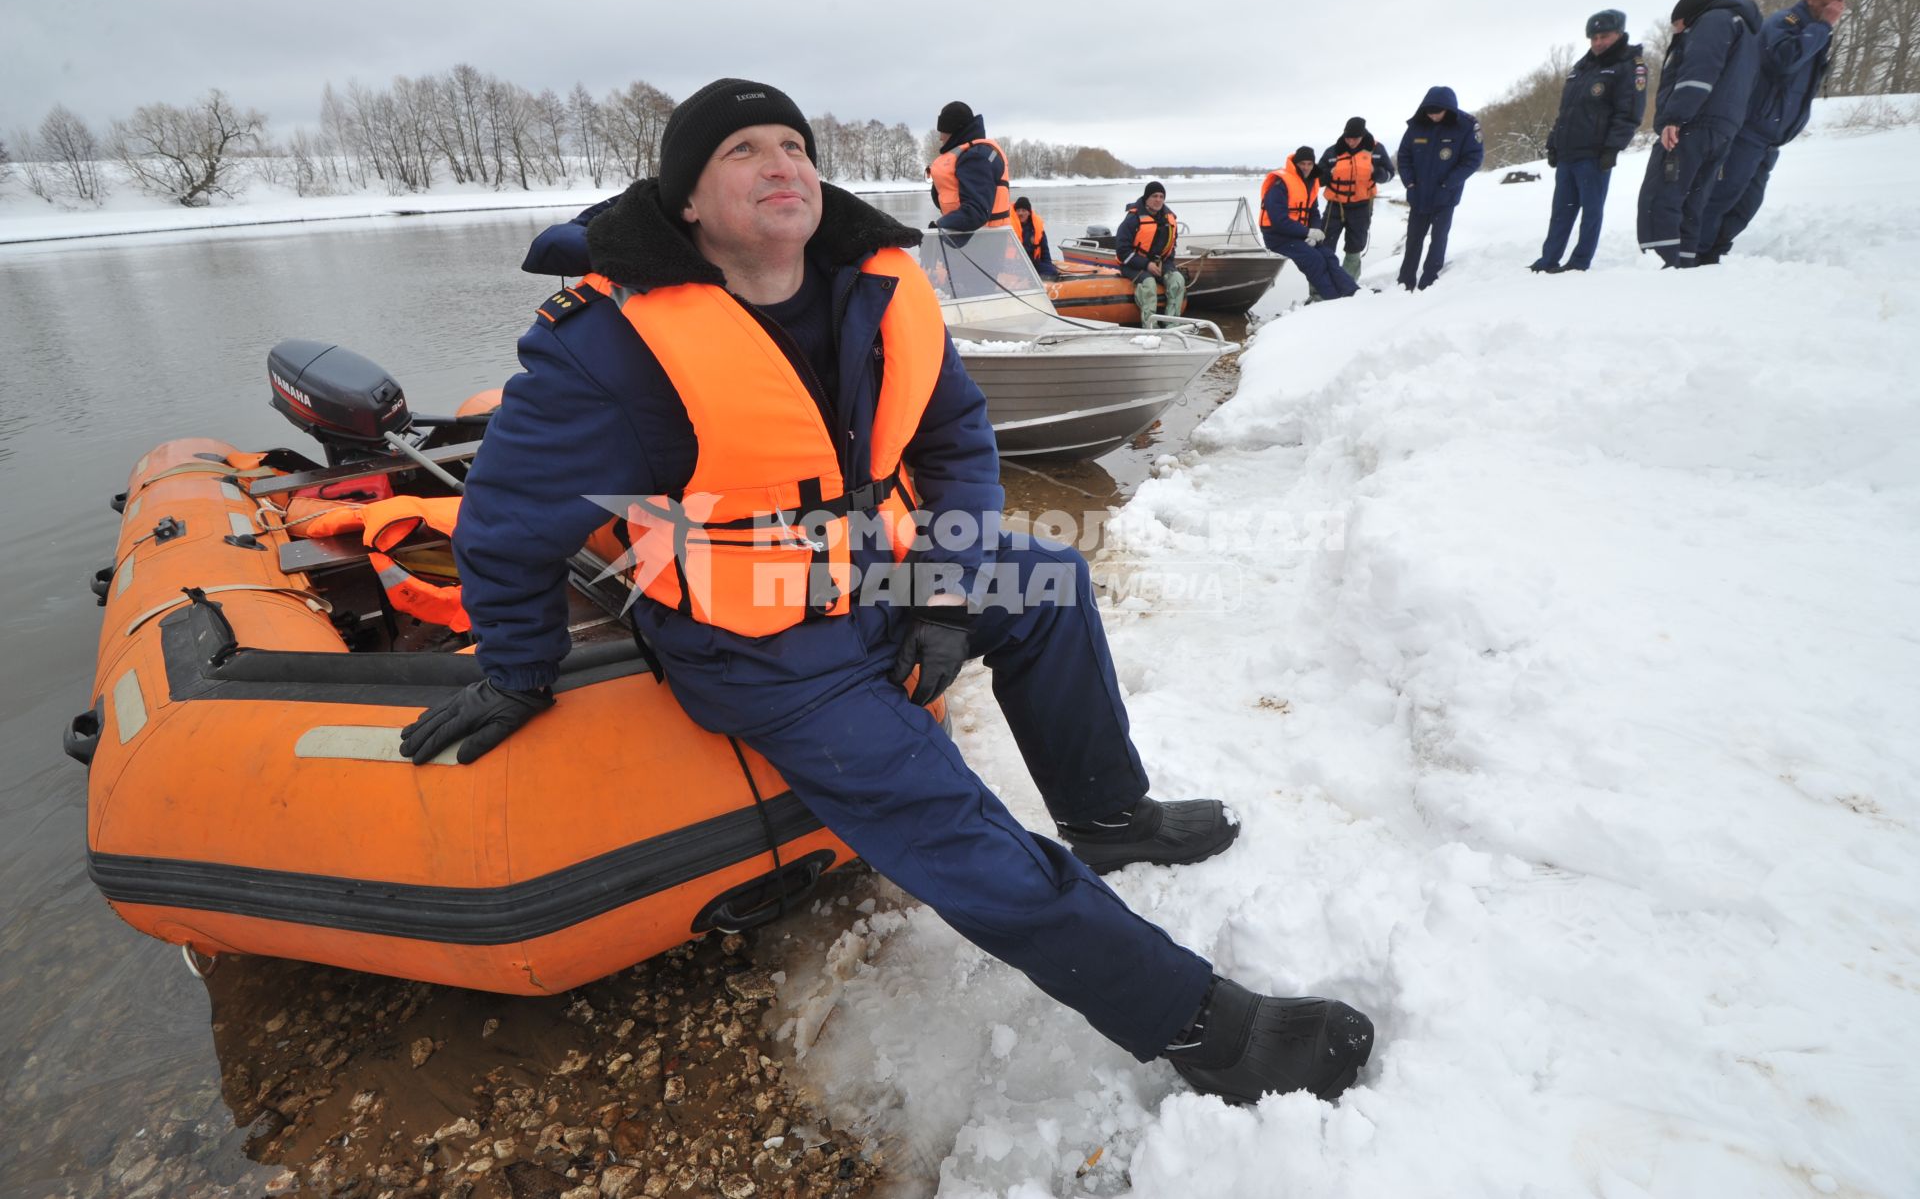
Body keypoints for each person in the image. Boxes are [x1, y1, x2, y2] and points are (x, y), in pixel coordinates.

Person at [400, 78, 1375, 1104]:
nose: (782, 163)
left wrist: (944, 598)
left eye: (794, 143)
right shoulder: (605, 344)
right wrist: (516, 669)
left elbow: (955, 437)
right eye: (743, 150)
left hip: (889, 570)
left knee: (1046, 579)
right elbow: (505, 521)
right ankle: (1201, 1026)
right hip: (756, 638)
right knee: (954, 817)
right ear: (686, 201)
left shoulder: (878, 289)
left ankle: (1109, 812)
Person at [1695, 0, 1860, 264]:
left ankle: (1713, 254)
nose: (1840, 3)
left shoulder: (1813, 31)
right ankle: (1694, 258)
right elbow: (1784, 60)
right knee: (1720, 198)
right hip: (1748, 132)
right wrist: (1823, 27)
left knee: (1746, 206)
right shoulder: (1784, 23)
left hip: (1772, 139)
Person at [1635, 0, 1762, 267]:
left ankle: (1659, 268)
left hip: (1694, 123)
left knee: (1661, 197)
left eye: (1676, 26)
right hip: (1724, 128)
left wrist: (1674, 117)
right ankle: (1686, 268)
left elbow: (1699, 70)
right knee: (1693, 203)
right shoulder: (1746, 31)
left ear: (1686, 17)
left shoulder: (1712, 22)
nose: (1675, 33)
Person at [1530, 10, 1647, 273]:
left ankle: (1579, 262)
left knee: (1590, 213)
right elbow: (1566, 112)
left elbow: (1629, 113)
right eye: (1594, 37)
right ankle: (1548, 259)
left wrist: (1612, 147)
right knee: (1561, 212)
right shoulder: (1581, 68)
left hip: (1595, 155)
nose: (1598, 42)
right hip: (1568, 153)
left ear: (1619, 34)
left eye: (1604, 36)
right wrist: (1553, 142)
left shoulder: (1629, 65)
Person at [1395, 86, 1484, 291]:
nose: (1433, 116)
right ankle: (1405, 280)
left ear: (1448, 109)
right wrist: (1409, 183)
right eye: (1430, 112)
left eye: (1438, 112)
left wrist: (1448, 183)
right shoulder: (1416, 126)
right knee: (1414, 238)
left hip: (1446, 194)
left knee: (1439, 237)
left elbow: (1473, 159)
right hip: (1418, 193)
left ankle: (1429, 279)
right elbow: (1404, 157)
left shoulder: (1467, 126)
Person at [1261, 144, 1359, 302]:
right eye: (1302, 164)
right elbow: (1279, 221)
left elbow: (1313, 211)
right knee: (1314, 259)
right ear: (1295, 164)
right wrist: (1307, 232)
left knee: (1328, 255)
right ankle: (1333, 299)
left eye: (1309, 164)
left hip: (1299, 234)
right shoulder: (1280, 185)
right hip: (1278, 237)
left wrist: (1314, 230)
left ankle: (1352, 292)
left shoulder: (1311, 182)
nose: (1306, 168)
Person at [1315, 117, 1396, 281]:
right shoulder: (1333, 151)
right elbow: (1317, 180)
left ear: (1363, 135)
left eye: (1355, 138)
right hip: (1335, 206)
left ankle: (1347, 284)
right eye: (1348, 138)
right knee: (1323, 245)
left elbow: (1389, 174)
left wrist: (1377, 173)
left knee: (1354, 247)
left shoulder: (1377, 150)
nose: (1351, 141)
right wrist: (1328, 175)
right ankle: (1319, 291)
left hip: (1362, 206)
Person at [928, 101, 1012, 232]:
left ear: (954, 131)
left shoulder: (977, 156)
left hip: (985, 240)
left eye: (943, 131)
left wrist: (940, 224)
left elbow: (976, 212)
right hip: (973, 241)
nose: (940, 138)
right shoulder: (969, 154)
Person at [1112, 181, 1189, 323]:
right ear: (1146, 198)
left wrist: (1166, 263)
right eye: (1154, 196)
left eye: (1161, 196)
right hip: (1133, 264)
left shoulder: (1169, 219)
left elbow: (1172, 245)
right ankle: (1150, 327)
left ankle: (1171, 325)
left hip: (1160, 262)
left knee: (1177, 281)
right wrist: (1147, 264)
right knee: (1148, 284)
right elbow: (1122, 251)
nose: (1158, 199)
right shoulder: (1132, 219)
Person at [1013, 196, 1058, 275]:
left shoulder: (1037, 228)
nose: (1020, 213)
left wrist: (1048, 265)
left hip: (1033, 263)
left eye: (1023, 210)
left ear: (1029, 212)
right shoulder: (1010, 228)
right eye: (1018, 210)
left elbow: (1045, 250)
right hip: (1016, 265)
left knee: (1052, 271)